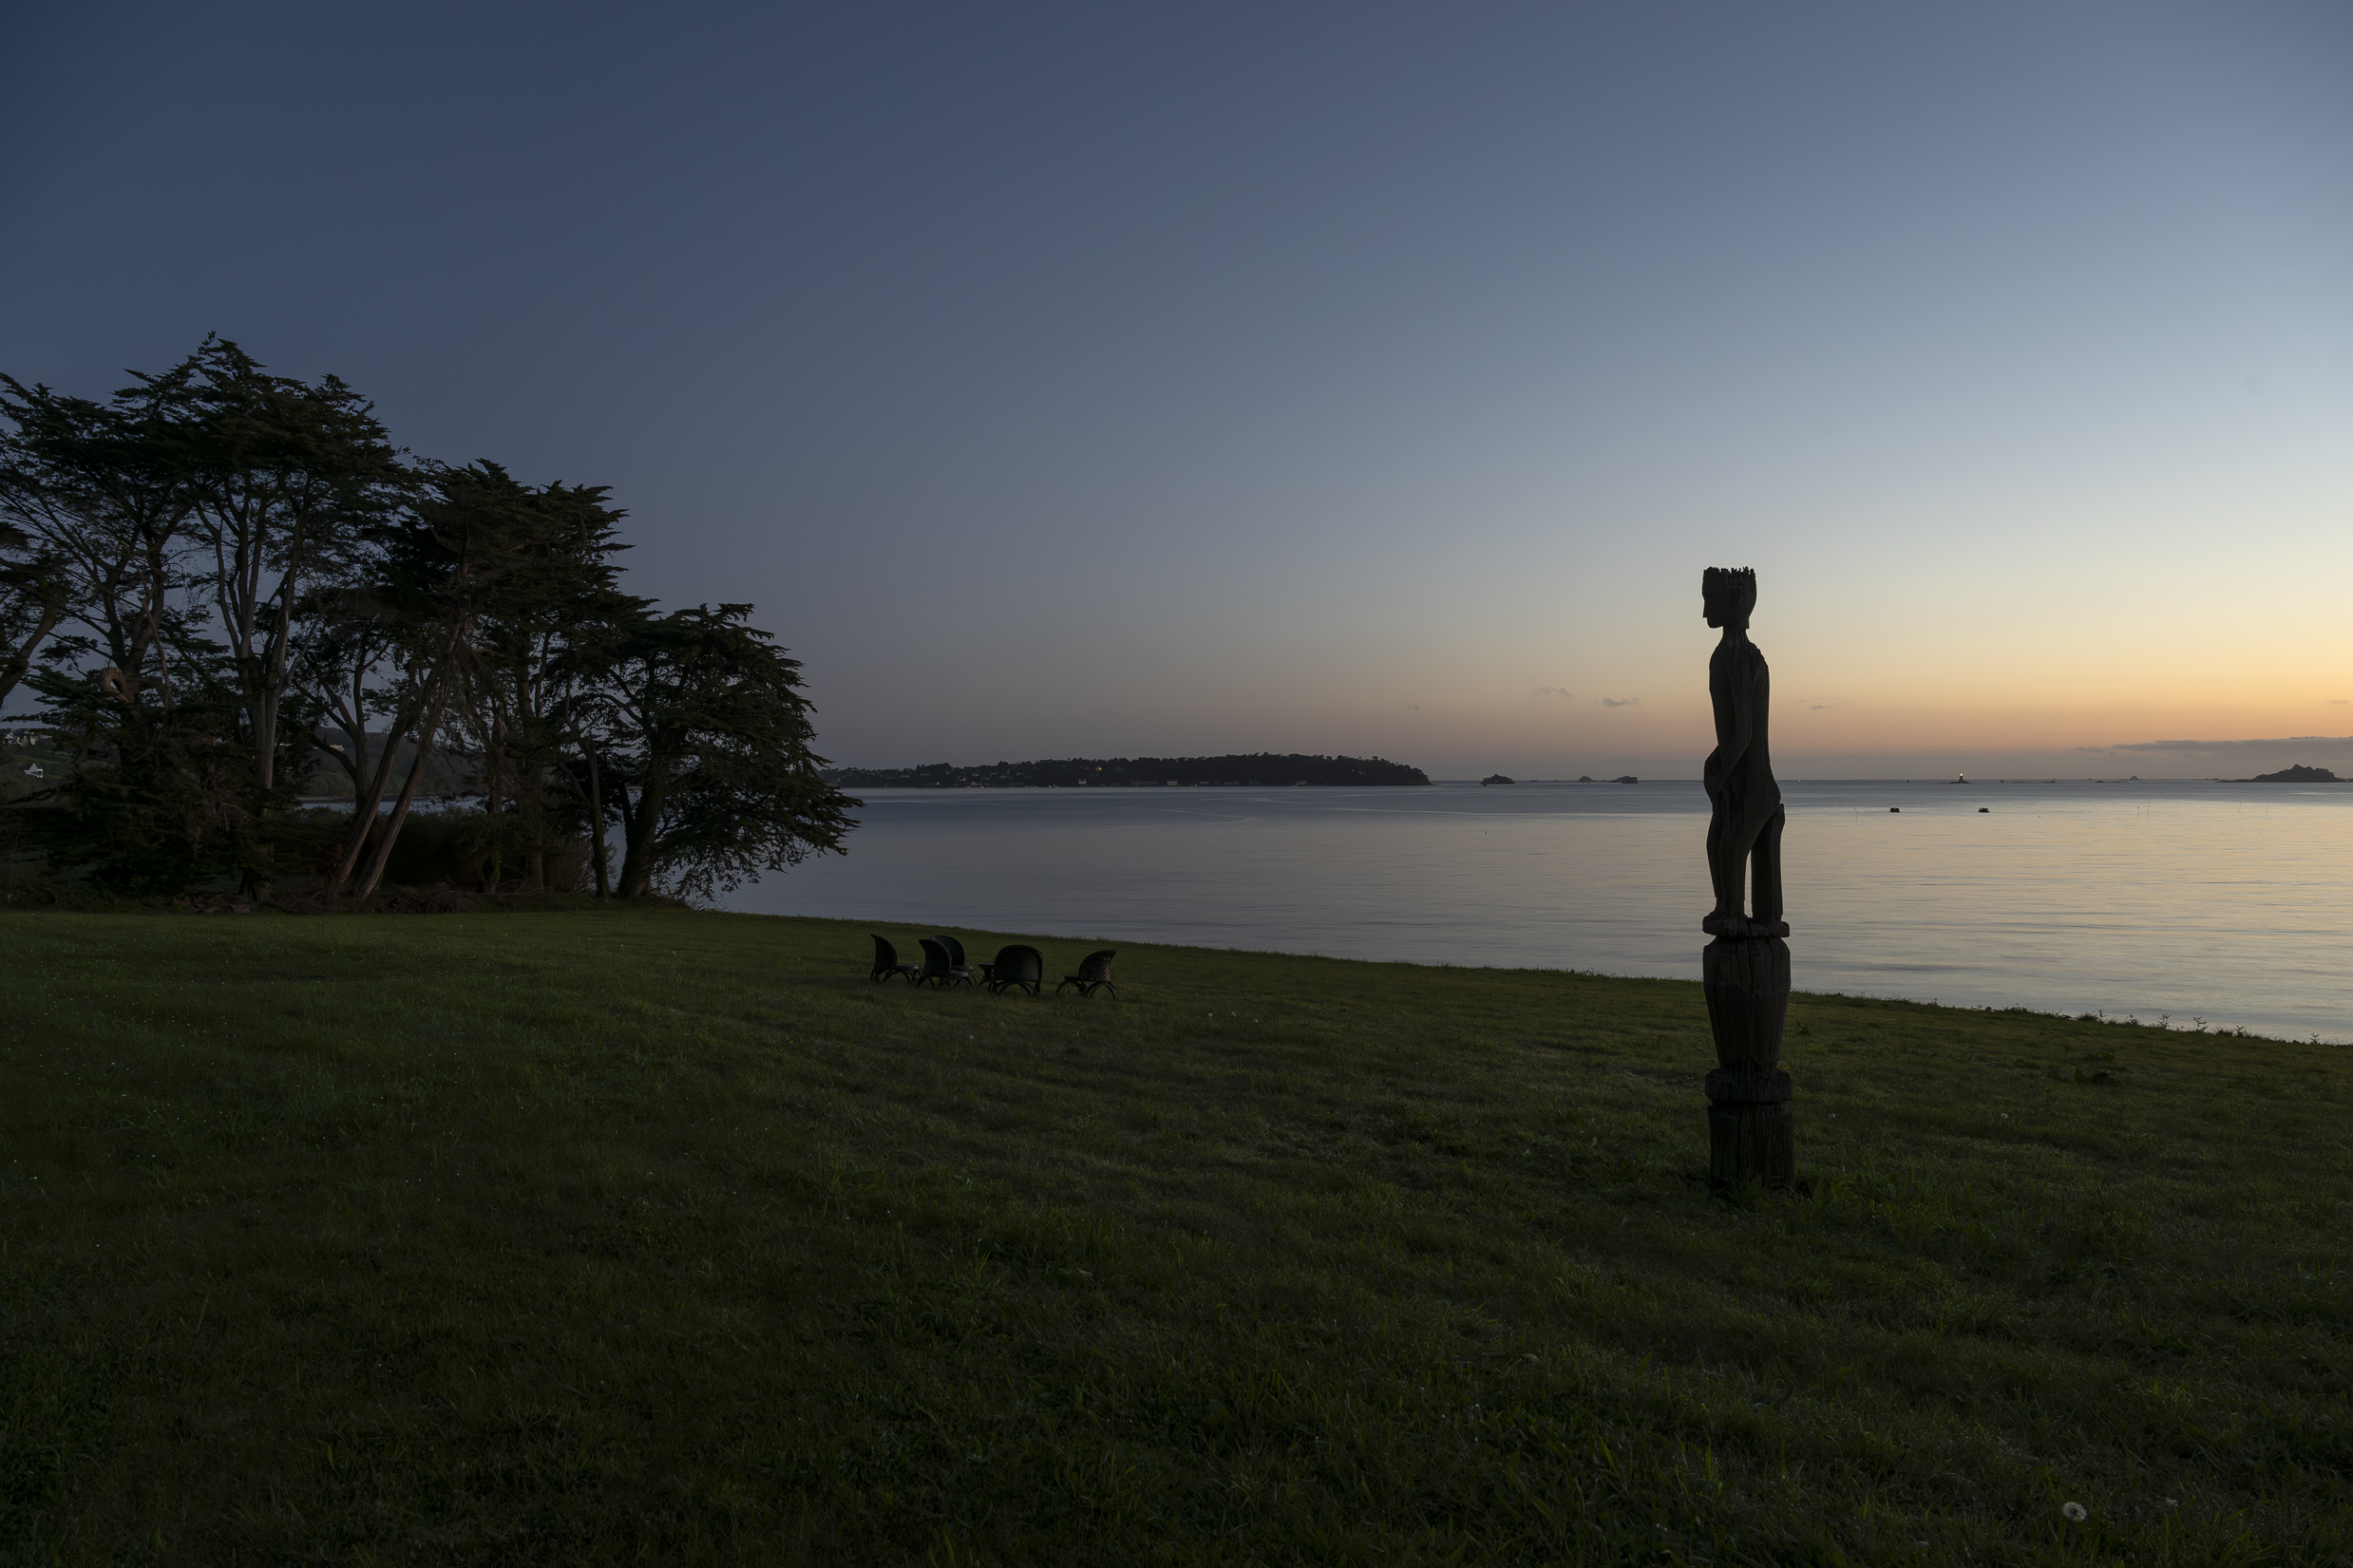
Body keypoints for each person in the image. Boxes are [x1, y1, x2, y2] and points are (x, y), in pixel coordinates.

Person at [1701, 567, 1785, 935]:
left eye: (1710, 601)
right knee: (1717, 842)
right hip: (1744, 780)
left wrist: (1722, 773)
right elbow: (1736, 734)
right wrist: (1717, 761)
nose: (1704, 613)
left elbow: (1745, 730)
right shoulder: (1733, 654)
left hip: (1752, 785)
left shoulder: (1737, 656)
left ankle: (1733, 911)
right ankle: (1736, 908)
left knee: (1729, 849)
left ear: (1737, 601)